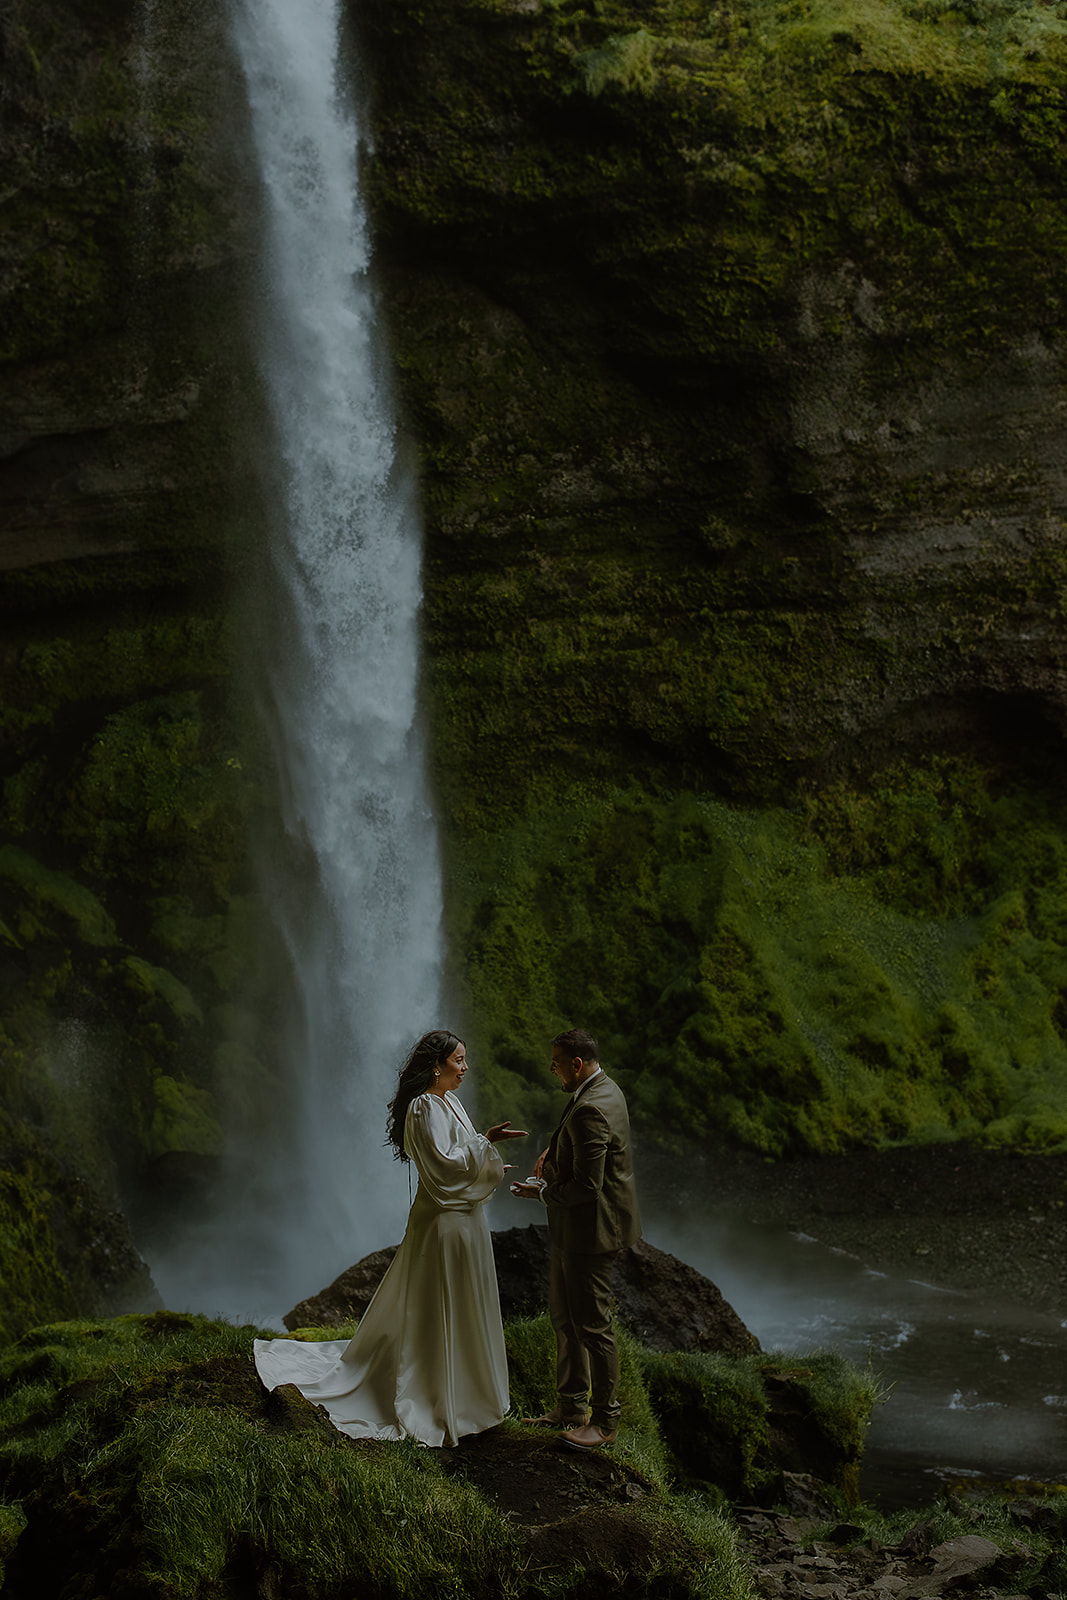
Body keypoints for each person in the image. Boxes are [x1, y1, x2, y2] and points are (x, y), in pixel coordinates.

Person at [254, 1030, 527, 1447]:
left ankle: (470, 1397)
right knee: (435, 1305)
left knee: (462, 1302)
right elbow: (442, 1169)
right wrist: (486, 1147)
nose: (465, 1068)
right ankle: (436, 1397)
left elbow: (462, 1157)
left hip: (464, 1219)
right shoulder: (421, 1108)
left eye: (465, 1060)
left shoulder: (449, 1101)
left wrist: (487, 1158)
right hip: (443, 1222)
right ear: (437, 1065)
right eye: (458, 1061)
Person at [511, 1027, 641, 1451]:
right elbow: (587, 1151)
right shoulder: (603, 1087)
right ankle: (571, 1408)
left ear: (576, 1064)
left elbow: (588, 1184)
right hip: (576, 1229)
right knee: (565, 1319)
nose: (552, 1069)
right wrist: (553, 1158)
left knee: (594, 1327)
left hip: (592, 1232)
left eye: (556, 1063)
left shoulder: (592, 1107)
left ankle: (604, 1423)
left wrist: (543, 1190)